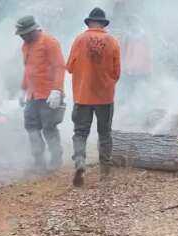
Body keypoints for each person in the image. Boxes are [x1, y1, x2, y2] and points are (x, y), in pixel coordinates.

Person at [67, 7, 121, 187]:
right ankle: (105, 171)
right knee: (104, 133)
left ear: (89, 22)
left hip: (83, 95)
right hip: (105, 96)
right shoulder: (112, 41)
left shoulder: (79, 39)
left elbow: (69, 68)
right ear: (103, 24)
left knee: (80, 133)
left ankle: (80, 162)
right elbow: (116, 72)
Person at [15, 15, 66, 173]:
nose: (22, 36)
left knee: (49, 128)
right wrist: (23, 89)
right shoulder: (25, 45)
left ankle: (56, 159)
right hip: (33, 95)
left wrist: (57, 90)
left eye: (24, 33)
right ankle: (38, 160)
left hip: (49, 94)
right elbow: (28, 69)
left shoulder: (49, 42)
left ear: (32, 31)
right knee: (31, 127)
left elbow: (59, 67)